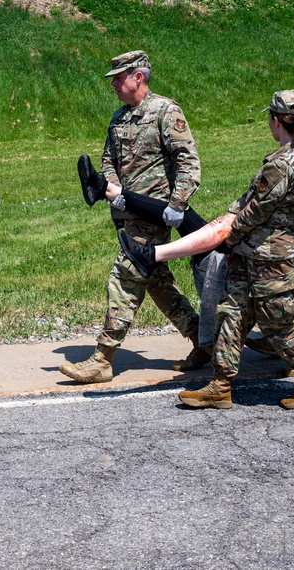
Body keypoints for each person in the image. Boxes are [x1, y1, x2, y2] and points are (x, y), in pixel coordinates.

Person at [172, 90, 294, 409]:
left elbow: (256, 208)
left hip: (270, 256)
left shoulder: (285, 160)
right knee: (233, 311)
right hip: (256, 253)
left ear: (276, 121)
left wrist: (230, 235)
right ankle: (220, 385)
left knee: (279, 321)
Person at [59, 50, 203, 386]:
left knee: (125, 275)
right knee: (156, 282)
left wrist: (177, 204)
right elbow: (109, 159)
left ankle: (102, 359)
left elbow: (189, 163)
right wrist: (111, 189)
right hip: (126, 211)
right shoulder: (118, 117)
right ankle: (206, 341)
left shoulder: (165, 112)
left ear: (138, 76)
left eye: (120, 78)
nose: (115, 85)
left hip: (154, 214)